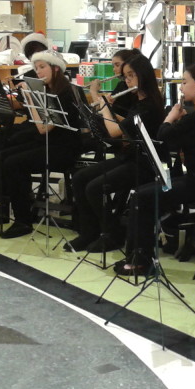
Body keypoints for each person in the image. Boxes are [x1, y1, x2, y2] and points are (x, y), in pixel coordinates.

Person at [0, 50, 82, 237]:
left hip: (63, 148)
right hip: (46, 143)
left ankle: (23, 220)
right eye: (36, 68)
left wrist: (30, 98)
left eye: (42, 67)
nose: (38, 72)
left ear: (56, 69)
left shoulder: (65, 93)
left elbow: (43, 128)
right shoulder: (47, 90)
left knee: (14, 164)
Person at [116, 63, 195, 275]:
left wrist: (170, 117)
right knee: (145, 193)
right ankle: (143, 253)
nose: (182, 87)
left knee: (141, 197)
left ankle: (140, 261)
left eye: (185, 82)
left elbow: (163, 136)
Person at [66, 53, 164, 252]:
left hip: (145, 164)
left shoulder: (150, 106)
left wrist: (102, 105)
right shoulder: (139, 101)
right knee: (80, 178)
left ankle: (112, 233)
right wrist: (107, 108)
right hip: (129, 157)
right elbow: (124, 121)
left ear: (143, 76)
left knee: (94, 187)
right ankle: (89, 232)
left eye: (131, 76)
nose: (127, 82)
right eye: (126, 77)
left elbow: (115, 131)